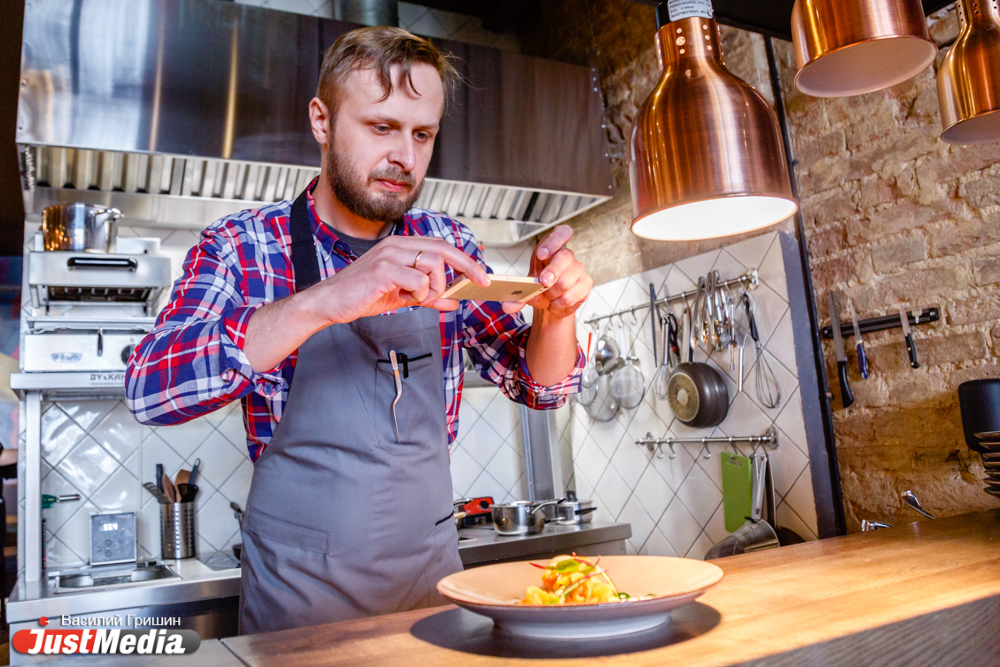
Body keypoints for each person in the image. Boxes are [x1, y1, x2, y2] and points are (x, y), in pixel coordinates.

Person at [125, 26, 592, 635]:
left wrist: (556, 314)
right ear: (322, 121)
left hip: (431, 584)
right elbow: (150, 389)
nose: (405, 158)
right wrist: (324, 300)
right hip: (299, 599)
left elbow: (541, 386)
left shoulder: (447, 244)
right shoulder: (243, 245)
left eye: (422, 134)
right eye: (381, 127)